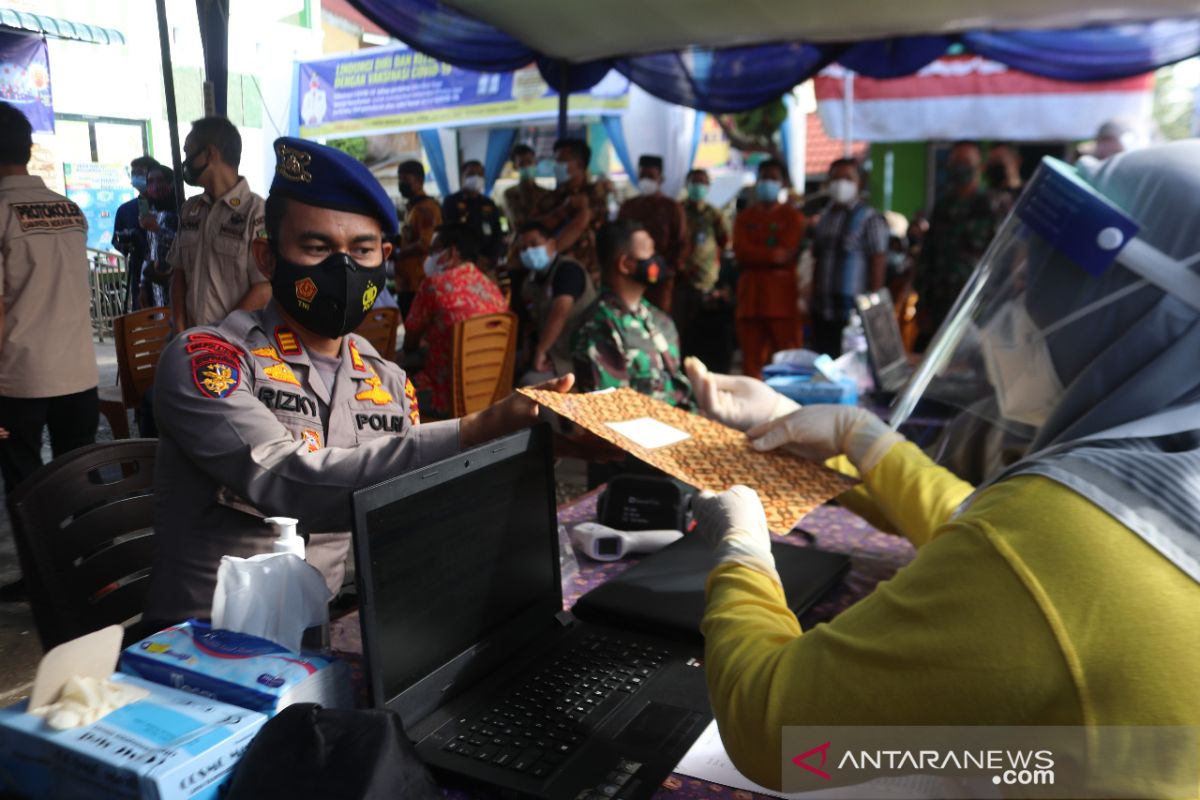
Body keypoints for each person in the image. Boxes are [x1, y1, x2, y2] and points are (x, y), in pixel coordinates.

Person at [687, 142, 1200, 794]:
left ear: (1136, 313)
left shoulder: (1060, 536)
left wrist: (742, 553)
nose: (1016, 321)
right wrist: (854, 438)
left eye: (1046, 291)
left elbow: (783, 734)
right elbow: (998, 537)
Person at [144, 137, 570, 623]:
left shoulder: (386, 380)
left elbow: (404, 512)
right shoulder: (208, 360)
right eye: (317, 246)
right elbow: (287, 481)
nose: (343, 267)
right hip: (200, 645)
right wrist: (470, 432)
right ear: (267, 258)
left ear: (384, 257)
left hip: (317, 637)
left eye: (362, 250)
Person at [0, 102, 99, 603]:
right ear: (28, 149)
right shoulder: (68, 208)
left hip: (18, 378)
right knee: (78, 477)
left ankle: (43, 580)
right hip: (79, 371)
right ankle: (89, 571)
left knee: (24, 482)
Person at [571, 220, 693, 410]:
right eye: (649, 252)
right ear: (625, 264)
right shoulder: (598, 326)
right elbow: (610, 411)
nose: (656, 260)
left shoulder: (658, 319)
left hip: (684, 424)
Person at [168, 116, 270, 331]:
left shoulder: (257, 212)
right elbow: (178, 274)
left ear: (210, 154)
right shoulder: (190, 210)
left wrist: (219, 335)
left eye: (188, 152)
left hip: (239, 344)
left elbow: (264, 287)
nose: (185, 162)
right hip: (191, 341)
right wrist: (180, 329)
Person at [404, 223, 509, 418]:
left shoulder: (434, 285)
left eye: (434, 250)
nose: (429, 257)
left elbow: (410, 341)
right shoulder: (491, 287)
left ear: (451, 252)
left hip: (446, 396)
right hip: (491, 393)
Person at [912, 141, 1000, 351]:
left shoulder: (994, 206)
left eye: (966, 162)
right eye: (955, 162)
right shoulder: (942, 207)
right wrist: (921, 303)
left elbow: (1004, 259)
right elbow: (927, 257)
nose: (959, 167)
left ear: (980, 166)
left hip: (977, 309)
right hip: (939, 307)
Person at [808, 158, 890, 357]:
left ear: (859, 182)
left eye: (847, 177)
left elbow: (878, 259)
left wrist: (872, 304)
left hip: (853, 313)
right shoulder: (825, 218)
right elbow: (817, 259)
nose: (840, 183)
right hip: (823, 309)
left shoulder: (869, 218)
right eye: (835, 178)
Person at [732, 159, 806, 379]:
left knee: (787, 361)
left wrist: (757, 255)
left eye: (773, 177)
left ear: (783, 182)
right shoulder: (744, 218)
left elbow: (784, 253)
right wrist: (770, 256)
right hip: (750, 300)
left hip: (781, 301)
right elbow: (740, 252)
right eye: (763, 177)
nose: (767, 182)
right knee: (751, 364)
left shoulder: (793, 218)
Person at [516, 221, 597, 379]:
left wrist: (541, 350)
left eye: (534, 244)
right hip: (552, 353)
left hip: (574, 356)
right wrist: (527, 347)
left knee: (529, 383)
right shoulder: (530, 282)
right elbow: (530, 320)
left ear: (551, 244)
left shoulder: (567, 270)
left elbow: (560, 312)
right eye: (524, 249)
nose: (529, 252)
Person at [617, 155, 689, 313]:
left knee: (659, 321)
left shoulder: (672, 208)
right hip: (631, 275)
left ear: (660, 178)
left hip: (660, 278)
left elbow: (682, 243)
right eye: (642, 176)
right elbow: (618, 237)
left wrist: (671, 270)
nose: (645, 180)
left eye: (650, 176)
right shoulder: (629, 207)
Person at [533, 138, 607, 280]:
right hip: (551, 273)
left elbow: (578, 226)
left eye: (561, 161)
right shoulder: (550, 198)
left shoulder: (594, 195)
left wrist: (550, 253)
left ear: (579, 164)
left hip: (587, 273)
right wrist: (563, 210)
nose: (556, 166)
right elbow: (534, 228)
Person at [392, 159, 442, 316]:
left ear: (420, 181)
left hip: (419, 283)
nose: (401, 184)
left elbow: (425, 244)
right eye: (400, 180)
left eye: (405, 180)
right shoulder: (413, 207)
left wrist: (398, 253)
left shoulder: (426, 208)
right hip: (407, 283)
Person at [112, 155, 158, 311]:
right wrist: (127, 245)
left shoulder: (169, 205)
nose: (136, 177)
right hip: (138, 273)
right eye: (133, 173)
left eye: (140, 172)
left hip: (165, 273)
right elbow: (116, 240)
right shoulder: (125, 210)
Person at [441, 160, 505, 271]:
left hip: (487, 263)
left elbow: (497, 233)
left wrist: (491, 257)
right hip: (461, 261)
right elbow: (450, 233)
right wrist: (474, 257)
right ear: (462, 177)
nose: (476, 178)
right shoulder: (451, 202)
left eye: (479, 174)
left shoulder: (488, 203)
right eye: (471, 174)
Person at [139, 163, 179, 309]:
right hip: (157, 293)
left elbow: (183, 243)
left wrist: (157, 229)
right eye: (150, 181)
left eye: (161, 180)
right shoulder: (153, 213)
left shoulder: (183, 210)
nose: (155, 185)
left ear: (171, 182)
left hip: (179, 288)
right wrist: (143, 285)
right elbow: (150, 252)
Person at [502, 144, 550, 232]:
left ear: (535, 163)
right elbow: (517, 221)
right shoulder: (510, 193)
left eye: (529, 161)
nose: (527, 166)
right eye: (521, 164)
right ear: (515, 167)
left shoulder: (546, 193)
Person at [984, 141, 1023, 218]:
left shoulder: (1028, 192)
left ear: (1016, 162)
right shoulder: (985, 197)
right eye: (991, 161)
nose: (995, 165)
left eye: (999, 160)